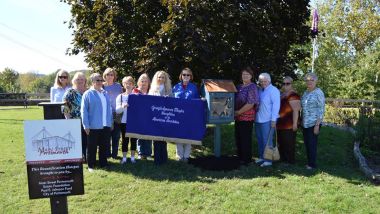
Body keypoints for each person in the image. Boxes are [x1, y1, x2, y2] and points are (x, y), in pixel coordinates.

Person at [81, 73, 113, 172]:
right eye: (97, 80)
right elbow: (84, 110)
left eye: (101, 80)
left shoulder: (105, 93)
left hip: (105, 124)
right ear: (92, 81)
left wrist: (110, 121)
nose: (99, 82)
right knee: (91, 146)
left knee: (104, 145)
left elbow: (109, 109)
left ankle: (103, 163)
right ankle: (91, 165)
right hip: (93, 125)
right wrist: (85, 125)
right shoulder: (88, 93)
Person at [172, 68, 200, 162]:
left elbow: (197, 101)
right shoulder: (176, 87)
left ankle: (186, 156)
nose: (186, 76)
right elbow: (171, 100)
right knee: (178, 135)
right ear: (181, 76)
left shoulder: (194, 87)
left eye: (188, 75)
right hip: (178, 115)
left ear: (191, 76)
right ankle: (179, 156)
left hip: (189, 115)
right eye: (184, 74)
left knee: (188, 135)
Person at [234, 67, 259, 164]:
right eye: (243, 74)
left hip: (247, 117)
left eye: (247, 74)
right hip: (238, 117)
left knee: (245, 138)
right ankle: (240, 157)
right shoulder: (239, 87)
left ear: (251, 76)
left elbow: (251, 103)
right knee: (238, 137)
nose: (245, 76)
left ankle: (246, 160)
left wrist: (238, 112)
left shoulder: (252, 87)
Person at [255, 72, 280, 167]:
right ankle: (262, 157)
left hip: (269, 120)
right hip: (258, 119)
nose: (263, 82)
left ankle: (268, 160)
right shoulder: (260, 90)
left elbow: (276, 106)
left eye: (265, 81)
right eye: (261, 81)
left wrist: (274, 120)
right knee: (260, 139)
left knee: (267, 140)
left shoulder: (274, 90)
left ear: (269, 80)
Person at [301, 73, 325, 170]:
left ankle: (312, 164)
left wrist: (317, 125)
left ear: (316, 81)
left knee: (312, 144)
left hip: (314, 123)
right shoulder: (305, 92)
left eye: (311, 80)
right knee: (307, 143)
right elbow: (303, 107)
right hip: (305, 123)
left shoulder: (319, 92)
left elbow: (321, 109)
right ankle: (309, 161)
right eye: (307, 80)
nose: (309, 82)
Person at [62, 72, 88, 162]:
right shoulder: (70, 92)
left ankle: (87, 157)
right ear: (74, 81)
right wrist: (68, 120)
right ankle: (79, 158)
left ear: (85, 81)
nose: (80, 81)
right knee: (77, 140)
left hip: (87, 121)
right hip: (74, 120)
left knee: (87, 140)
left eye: (82, 79)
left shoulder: (88, 92)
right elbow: (65, 107)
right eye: (78, 79)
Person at [149, 70, 172, 165]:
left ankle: (164, 159)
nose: (161, 79)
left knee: (163, 139)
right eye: (159, 77)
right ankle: (157, 159)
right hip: (155, 117)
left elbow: (173, 102)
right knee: (156, 139)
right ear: (156, 78)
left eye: (163, 77)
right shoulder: (153, 89)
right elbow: (149, 102)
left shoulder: (169, 90)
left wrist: (168, 99)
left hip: (165, 117)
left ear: (165, 79)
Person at [276, 76, 301, 164]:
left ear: (292, 84)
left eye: (288, 83)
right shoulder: (282, 94)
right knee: (281, 143)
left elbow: (296, 110)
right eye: (284, 83)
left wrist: (295, 124)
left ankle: (290, 161)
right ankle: (283, 159)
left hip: (289, 124)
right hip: (280, 124)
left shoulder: (293, 95)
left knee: (289, 144)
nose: (285, 85)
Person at [103, 68, 123, 159]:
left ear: (114, 76)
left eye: (112, 74)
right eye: (108, 74)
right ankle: (107, 154)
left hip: (117, 113)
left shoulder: (118, 86)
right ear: (105, 76)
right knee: (106, 135)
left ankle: (115, 154)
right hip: (105, 114)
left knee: (116, 135)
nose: (110, 76)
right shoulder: (102, 86)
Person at [116, 76, 137, 164]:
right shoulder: (120, 96)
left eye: (130, 83)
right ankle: (124, 158)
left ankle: (132, 157)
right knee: (125, 140)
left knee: (133, 140)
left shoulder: (137, 96)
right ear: (123, 85)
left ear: (133, 85)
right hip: (123, 122)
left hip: (134, 122)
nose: (128, 85)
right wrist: (122, 106)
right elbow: (117, 111)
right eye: (126, 83)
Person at [133, 73, 153, 160]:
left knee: (148, 136)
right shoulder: (135, 91)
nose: (144, 83)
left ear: (149, 82)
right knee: (140, 136)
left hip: (149, 117)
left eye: (145, 81)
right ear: (139, 82)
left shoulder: (151, 91)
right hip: (139, 117)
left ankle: (148, 153)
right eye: (142, 81)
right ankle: (141, 153)